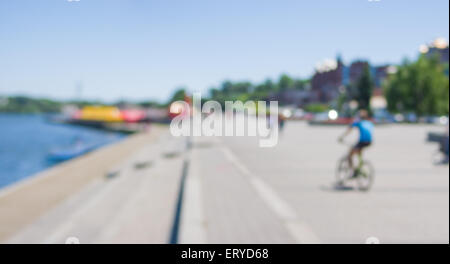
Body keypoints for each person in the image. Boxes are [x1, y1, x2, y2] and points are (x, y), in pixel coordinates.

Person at [339, 110, 374, 174]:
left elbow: (349, 130)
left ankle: (353, 171)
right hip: (369, 142)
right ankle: (360, 165)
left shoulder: (358, 122)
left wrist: (341, 137)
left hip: (362, 142)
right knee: (359, 151)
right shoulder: (369, 123)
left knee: (350, 155)